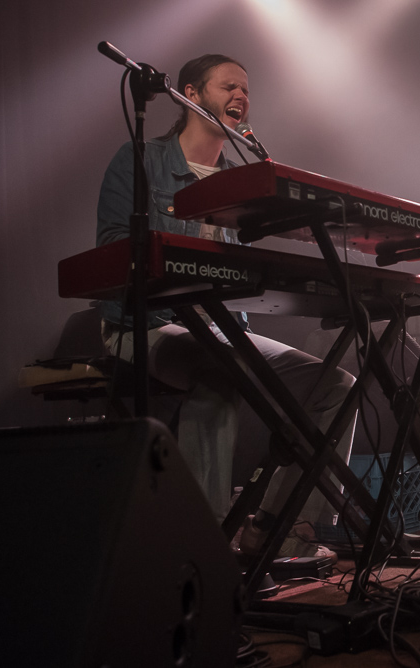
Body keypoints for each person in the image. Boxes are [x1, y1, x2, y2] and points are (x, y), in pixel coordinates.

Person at [96, 54, 356, 559]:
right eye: (228, 86)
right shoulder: (142, 160)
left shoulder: (242, 183)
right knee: (222, 366)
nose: (242, 96)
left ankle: (281, 531)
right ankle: (205, 546)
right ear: (190, 95)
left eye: (246, 90)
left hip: (221, 331)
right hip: (144, 326)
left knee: (336, 387)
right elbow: (111, 248)